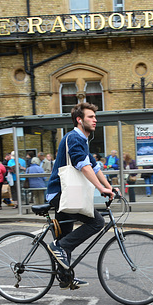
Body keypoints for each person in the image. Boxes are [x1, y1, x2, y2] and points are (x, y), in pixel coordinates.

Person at [45, 102, 116, 289]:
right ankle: (58, 248)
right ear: (79, 119)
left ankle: (65, 277)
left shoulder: (82, 140)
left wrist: (111, 187)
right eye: (90, 117)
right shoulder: (74, 138)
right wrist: (101, 189)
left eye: (95, 116)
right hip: (61, 193)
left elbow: (94, 166)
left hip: (68, 193)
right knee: (97, 222)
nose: (95, 120)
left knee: (65, 237)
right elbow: (83, 167)